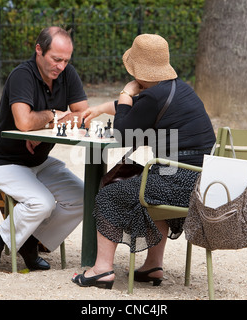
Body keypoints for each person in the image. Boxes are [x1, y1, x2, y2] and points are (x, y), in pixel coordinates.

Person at [72, 34, 216, 289]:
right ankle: (152, 266)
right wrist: (102, 108)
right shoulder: (179, 88)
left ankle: (101, 270)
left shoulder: (153, 96)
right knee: (148, 185)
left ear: (138, 71)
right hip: (201, 181)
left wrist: (126, 91)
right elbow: (138, 111)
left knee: (110, 194)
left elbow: (123, 132)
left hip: (177, 184)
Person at [0, 27, 88, 273]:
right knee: (42, 203)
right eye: (56, 59)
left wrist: (47, 126)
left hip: (39, 162)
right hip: (4, 162)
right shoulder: (22, 75)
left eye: (66, 60)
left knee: (83, 196)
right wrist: (54, 115)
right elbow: (24, 122)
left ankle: (28, 240)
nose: (61, 66)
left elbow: (84, 116)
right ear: (39, 50)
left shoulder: (67, 74)